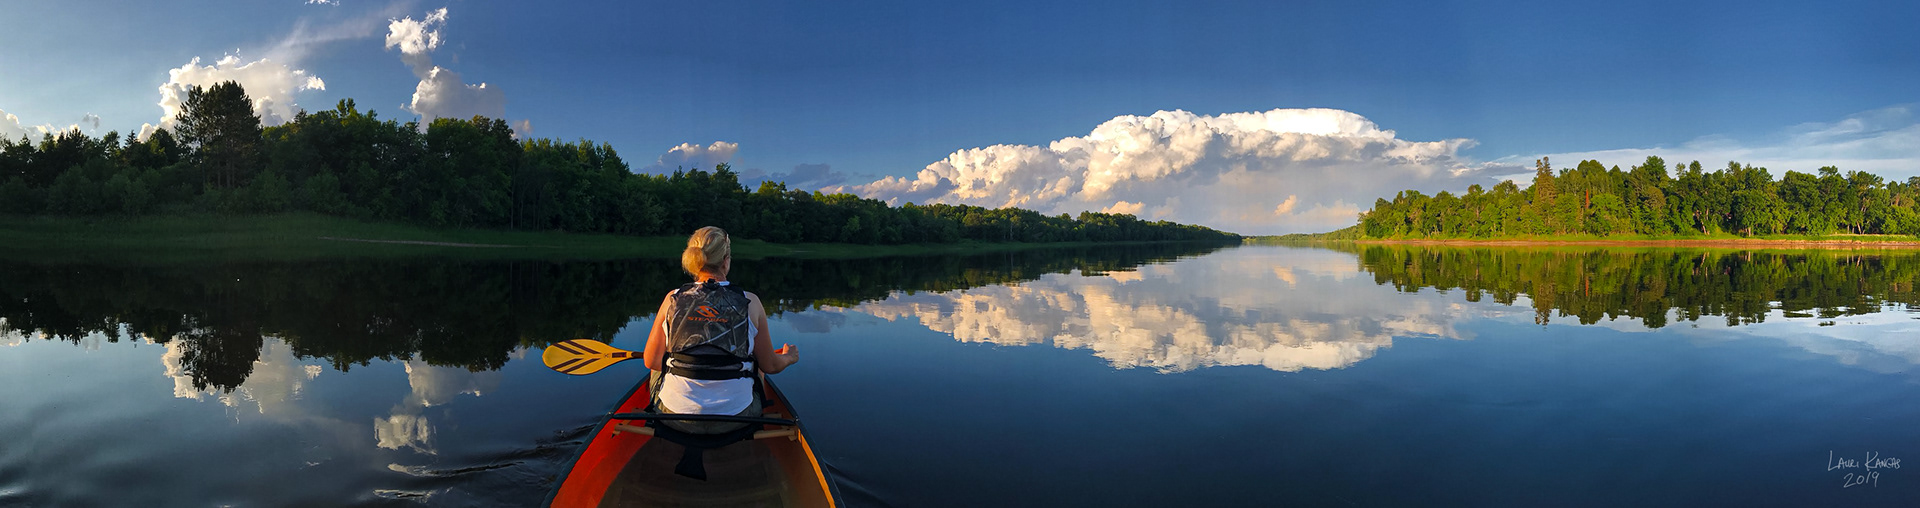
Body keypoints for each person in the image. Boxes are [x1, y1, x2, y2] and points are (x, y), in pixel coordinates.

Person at [643, 226, 799, 434]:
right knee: (758, 366)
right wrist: (789, 357)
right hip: (737, 417)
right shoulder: (750, 301)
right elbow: (770, 365)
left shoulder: (673, 298)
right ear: (726, 259)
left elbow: (651, 361)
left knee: (658, 361)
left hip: (674, 415)